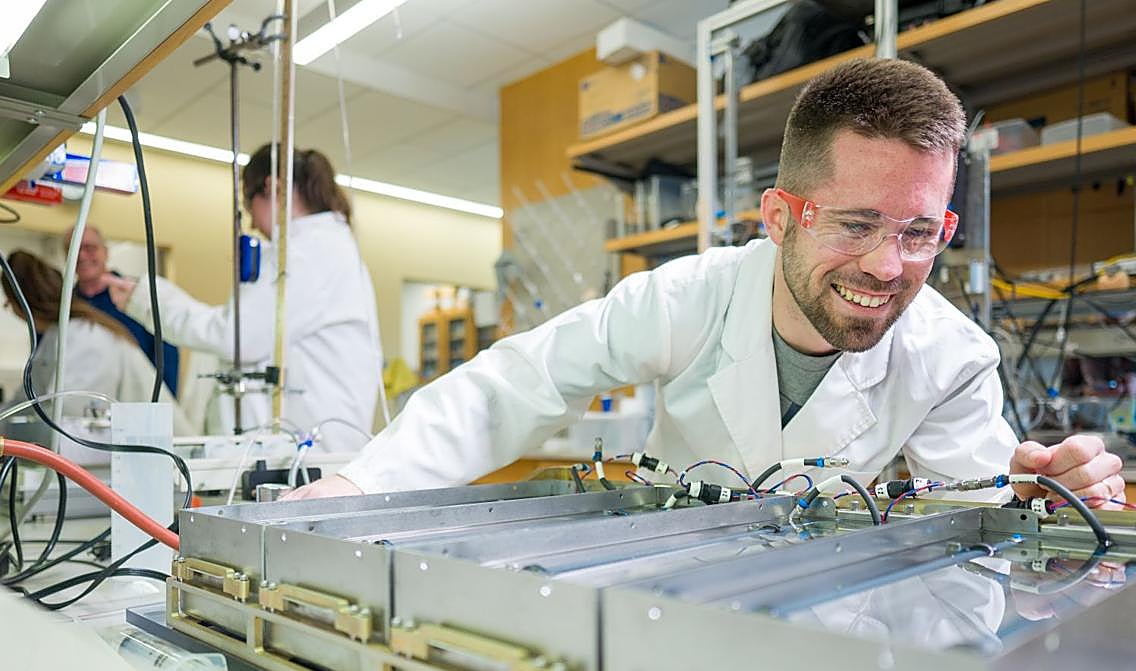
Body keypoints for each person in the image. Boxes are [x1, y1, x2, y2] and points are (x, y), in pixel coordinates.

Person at [290, 57, 1125, 507]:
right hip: (661, 589)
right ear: (778, 215)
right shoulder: (684, 298)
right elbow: (519, 384)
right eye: (856, 223)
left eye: (919, 232)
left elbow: (977, 514)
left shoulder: (953, 357)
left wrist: (1050, 494)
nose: (888, 265)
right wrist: (357, 485)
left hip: (835, 630)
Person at [104, 144, 383, 452]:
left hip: (313, 450)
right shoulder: (324, 247)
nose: (252, 225)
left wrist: (147, 300)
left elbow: (235, 338)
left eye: (250, 208)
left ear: (273, 187)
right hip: (316, 446)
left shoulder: (307, 252)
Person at [0, 250, 195, 432]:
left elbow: (68, 412)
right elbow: (26, 401)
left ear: (21, 302)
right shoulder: (56, 336)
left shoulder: (84, 335)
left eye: (8, 302)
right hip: (133, 454)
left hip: (163, 455)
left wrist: (8, 438)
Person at [65, 224, 181, 396]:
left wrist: (163, 406)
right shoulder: (65, 307)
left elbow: (166, 351)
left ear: (106, 252)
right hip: (81, 406)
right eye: (73, 249)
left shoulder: (135, 296)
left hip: (136, 401)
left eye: (90, 248)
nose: (81, 255)